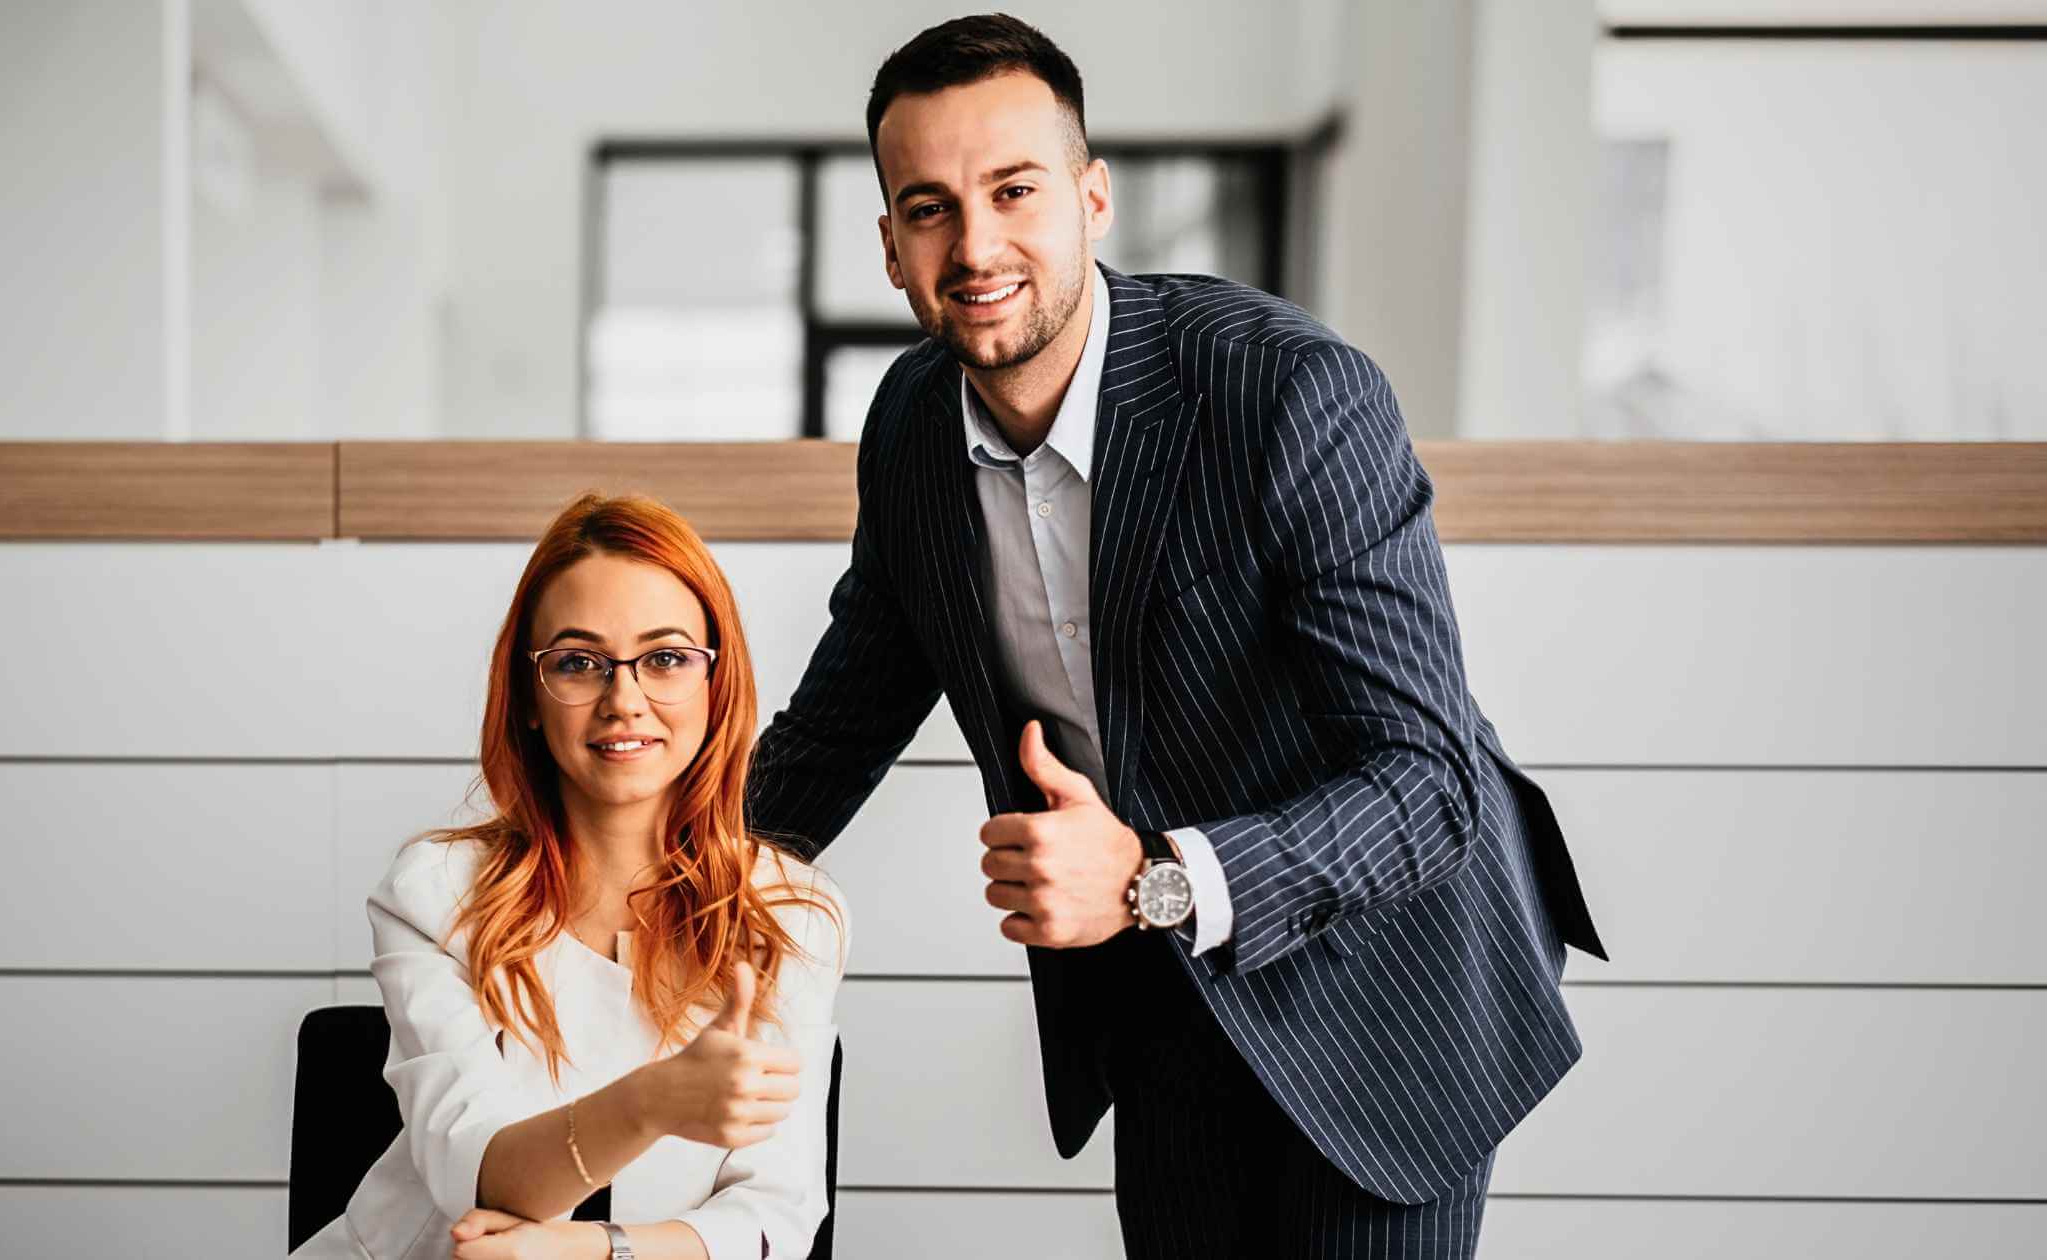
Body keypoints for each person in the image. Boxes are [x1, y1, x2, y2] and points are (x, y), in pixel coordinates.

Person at [744, 15, 1604, 1258]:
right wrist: (621, 879)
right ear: (887, 246)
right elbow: (838, 725)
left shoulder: (1288, 394)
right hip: (1164, 1001)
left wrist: (1149, 879)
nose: (974, 244)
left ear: (1093, 198)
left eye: (1013, 189)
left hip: (1385, 987)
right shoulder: (911, 426)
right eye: (928, 207)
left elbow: (1427, 784)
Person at [296, 493, 848, 1260]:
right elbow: (481, 1182)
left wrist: (584, 1249)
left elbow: (773, 1221)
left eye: (666, 658)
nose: (625, 701)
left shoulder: (793, 912)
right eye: (579, 663)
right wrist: (655, 1101)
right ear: (528, 693)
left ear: (717, 684)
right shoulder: (435, 892)